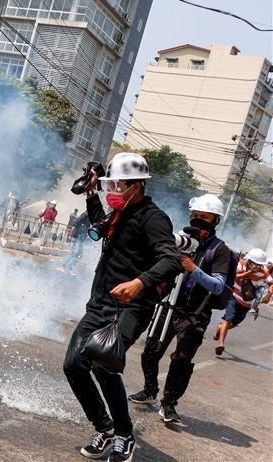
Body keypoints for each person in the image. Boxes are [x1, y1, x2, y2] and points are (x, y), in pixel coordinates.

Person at [63, 152, 180, 462]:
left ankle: (124, 435)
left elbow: (171, 260)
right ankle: (104, 428)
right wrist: (91, 192)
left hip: (131, 307)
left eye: (118, 184)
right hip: (100, 303)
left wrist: (139, 282)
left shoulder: (153, 218)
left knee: (103, 364)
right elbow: (100, 223)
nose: (112, 190)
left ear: (137, 186)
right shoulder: (120, 213)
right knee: (74, 365)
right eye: (110, 184)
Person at [128, 194, 231, 424]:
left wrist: (193, 268)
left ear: (215, 220)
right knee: (151, 349)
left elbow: (218, 286)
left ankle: (169, 404)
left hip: (195, 313)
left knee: (182, 359)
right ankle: (150, 389)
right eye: (195, 216)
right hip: (169, 305)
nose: (198, 222)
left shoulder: (220, 250)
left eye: (204, 217)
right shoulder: (181, 240)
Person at [213, 248, 271, 354]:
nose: (257, 267)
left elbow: (271, 282)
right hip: (234, 297)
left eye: (259, 265)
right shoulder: (241, 265)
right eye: (255, 264)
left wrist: (269, 294)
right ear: (249, 260)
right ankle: (220, 344)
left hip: (247, 303)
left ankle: (220, 328)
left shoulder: (263, 273)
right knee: (228, 319)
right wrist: (248, 273)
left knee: (233, 324)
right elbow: (234, 277)